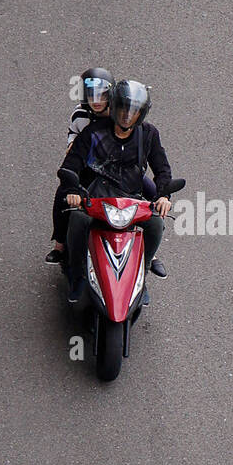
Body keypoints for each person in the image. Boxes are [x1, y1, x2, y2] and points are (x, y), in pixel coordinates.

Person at [62, 79, 172, 303]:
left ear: (141, 114)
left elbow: (162, 169)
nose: (126, 116)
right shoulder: (93, 133)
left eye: (133, 112)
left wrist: (163, 195)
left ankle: (142, 273)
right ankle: (77, 275)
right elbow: (71, 163)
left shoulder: (148, 135)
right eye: (123, 108)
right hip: (96, 197)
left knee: (156, 224)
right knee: (77, 220)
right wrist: (74, 189)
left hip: (131, 199)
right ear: (114, 107)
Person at [45, 67, 158, 263]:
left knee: (153, 197)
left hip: (119, 166)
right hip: (90, 165)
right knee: (63, 195)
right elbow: (73, 136)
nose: (96, 101)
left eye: (102, 95)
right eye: (91, 96)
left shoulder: (120, 112)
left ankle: (150, 253)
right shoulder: (80, 116)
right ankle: (60, 244)